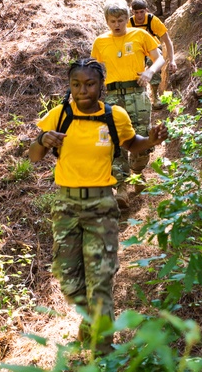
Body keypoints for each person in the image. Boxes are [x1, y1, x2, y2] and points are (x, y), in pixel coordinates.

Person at [29, 58, 169, 353]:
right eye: (76, 84)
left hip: (102, 204)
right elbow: (33, 156)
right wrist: (43, 138)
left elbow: (133, 144)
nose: (82, 90)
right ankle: (91, 321)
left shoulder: (114, 116)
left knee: (101, 278)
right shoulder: (59, 115)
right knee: (67, 278)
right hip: (66, 205)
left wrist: (152, 139)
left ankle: (104, 351)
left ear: (101, 85)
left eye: (89, 84)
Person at [90, 0, 165, 209]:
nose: (117, 24)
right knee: (115, 141)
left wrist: (150, 71)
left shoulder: (140, 35)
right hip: (113, 97)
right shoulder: (100, 42)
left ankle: (138, 174)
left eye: (121, 20)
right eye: (113, 20)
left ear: (127, 19)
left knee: (142, 137)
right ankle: (121, 186)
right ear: (106, 21)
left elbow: (159, 58)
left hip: (137, 93)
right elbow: (94, 71)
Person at [128, 0, 176, 110]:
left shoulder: (153, 21)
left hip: (152, 48)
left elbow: (167, 40)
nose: (139, 15)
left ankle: (155, 96)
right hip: (136, 50)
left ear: (146, 10)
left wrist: (172, 60)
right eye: (136, 12)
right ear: (132, 12)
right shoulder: (129, 23)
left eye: (142, 12)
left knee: (153, 61)